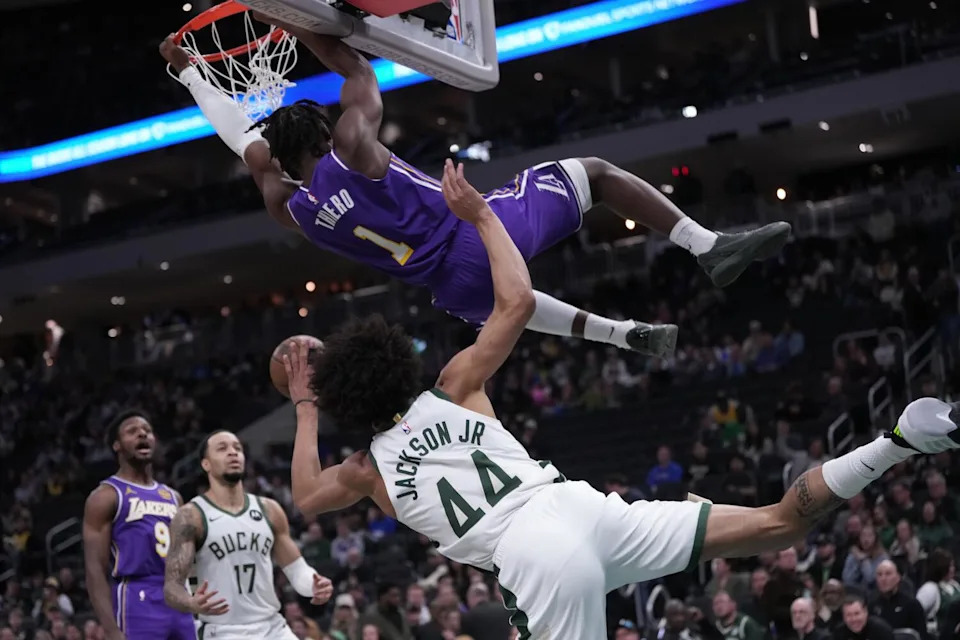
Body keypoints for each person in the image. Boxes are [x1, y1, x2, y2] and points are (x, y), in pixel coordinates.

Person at [279, 161, 960, 639]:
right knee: (777, 524)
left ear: (347, 402)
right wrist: (482, 215)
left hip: (528, 555)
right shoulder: (455, 386)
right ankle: (896, 441)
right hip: (578, 507)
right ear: (396, 363)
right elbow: (515, 301)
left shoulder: (365, 472)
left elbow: (306, 495)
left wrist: (305, 404)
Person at [158, 31, 791, 361]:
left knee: (512, 303)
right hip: (473, 231)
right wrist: (307, 19)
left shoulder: (288, 206)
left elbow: (241, 136)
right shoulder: (352, 145)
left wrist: (191, 70)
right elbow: (356, 71)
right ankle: (707, 245)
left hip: (446, 288)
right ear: (324, 134)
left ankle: (624, 335)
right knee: (595, 173)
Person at [162, 430, 334, 639]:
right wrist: (190, 602)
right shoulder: (191, 516)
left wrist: (313, 584)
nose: (233, 453)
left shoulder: (269, 509)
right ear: (206, 464)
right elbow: (172, 586)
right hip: (224, 631)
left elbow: (297, 570)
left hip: (272, 627)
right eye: (222, 449)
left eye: (237, 448)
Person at [81, 410, 196, 640]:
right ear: (117, 445)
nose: (142, 434)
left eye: (147, 431)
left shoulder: (173, 497)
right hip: (137, 596)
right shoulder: (106, 495)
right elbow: (95, 569)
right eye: (132, 431)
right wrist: (111, 630)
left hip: (178, 596)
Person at [869, 560, 925, 637]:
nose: (883, 578)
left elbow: (921, 635)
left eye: (888, 574)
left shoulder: (912, 605)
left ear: (898, 577)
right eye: (879, 575)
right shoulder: (871, 606)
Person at [916, 548, 960, 635]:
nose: (953, 569)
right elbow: (915, 613)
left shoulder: (956, 585)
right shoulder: (930, 589)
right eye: (950, 566)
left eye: (953, 566)